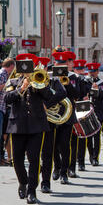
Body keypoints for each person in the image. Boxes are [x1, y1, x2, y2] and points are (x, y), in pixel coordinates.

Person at [5, 54, 53, 204]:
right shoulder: (12, 82)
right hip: (17, 125)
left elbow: (49, 96)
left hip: (36, 125)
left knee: (34, 159)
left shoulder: (41, 80)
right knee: (17, 159)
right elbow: (7, 98)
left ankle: (32, 190)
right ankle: (23, 181)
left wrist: (39, 85)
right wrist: (21, 88)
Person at [52, 51, 81, 184]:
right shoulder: (50, 77)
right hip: (52, 115)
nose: (61, 66)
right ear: (54, 64)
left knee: (64, 145)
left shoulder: (74, 77)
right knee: (53, 145)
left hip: (67, 115)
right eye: (58, 63)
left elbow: (77, 95)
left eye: (63, 63)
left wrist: (68, 84)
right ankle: (56, 167)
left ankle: (64, 172)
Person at [39, 57, 67, 194]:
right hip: (30, 122)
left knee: (47, 154)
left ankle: (45, 182)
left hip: (49, 122)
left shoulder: (53, 81)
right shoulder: (24, 81)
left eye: (42, 66)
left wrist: (47, 105)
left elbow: (63, 93)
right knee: (32, 155)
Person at [86, 62, 103, 167]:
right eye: (91, 72)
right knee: (88, 136)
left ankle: (96, 158)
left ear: (98, 72)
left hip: (99, 112)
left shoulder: (102, 83)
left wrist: (98, 90)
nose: (92, 74)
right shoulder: (85, 82)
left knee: (96, 136)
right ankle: (91, 155)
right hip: (87, 112)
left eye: (94, 71)